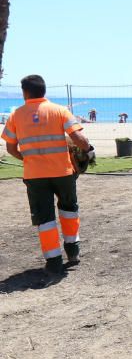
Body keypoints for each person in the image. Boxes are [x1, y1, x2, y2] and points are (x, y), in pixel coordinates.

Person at [2, 74, 95, 275]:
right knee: (69, 209)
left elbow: (10, 148)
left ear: (25, 92)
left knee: (44, 217)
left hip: (35, 175)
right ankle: (73, 251)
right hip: (63, 172)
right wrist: (90, 150)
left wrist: (27, 159)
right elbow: (77, 137)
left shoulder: (16, 115)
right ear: (43, 91)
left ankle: (53, 260)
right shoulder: (60, 110)